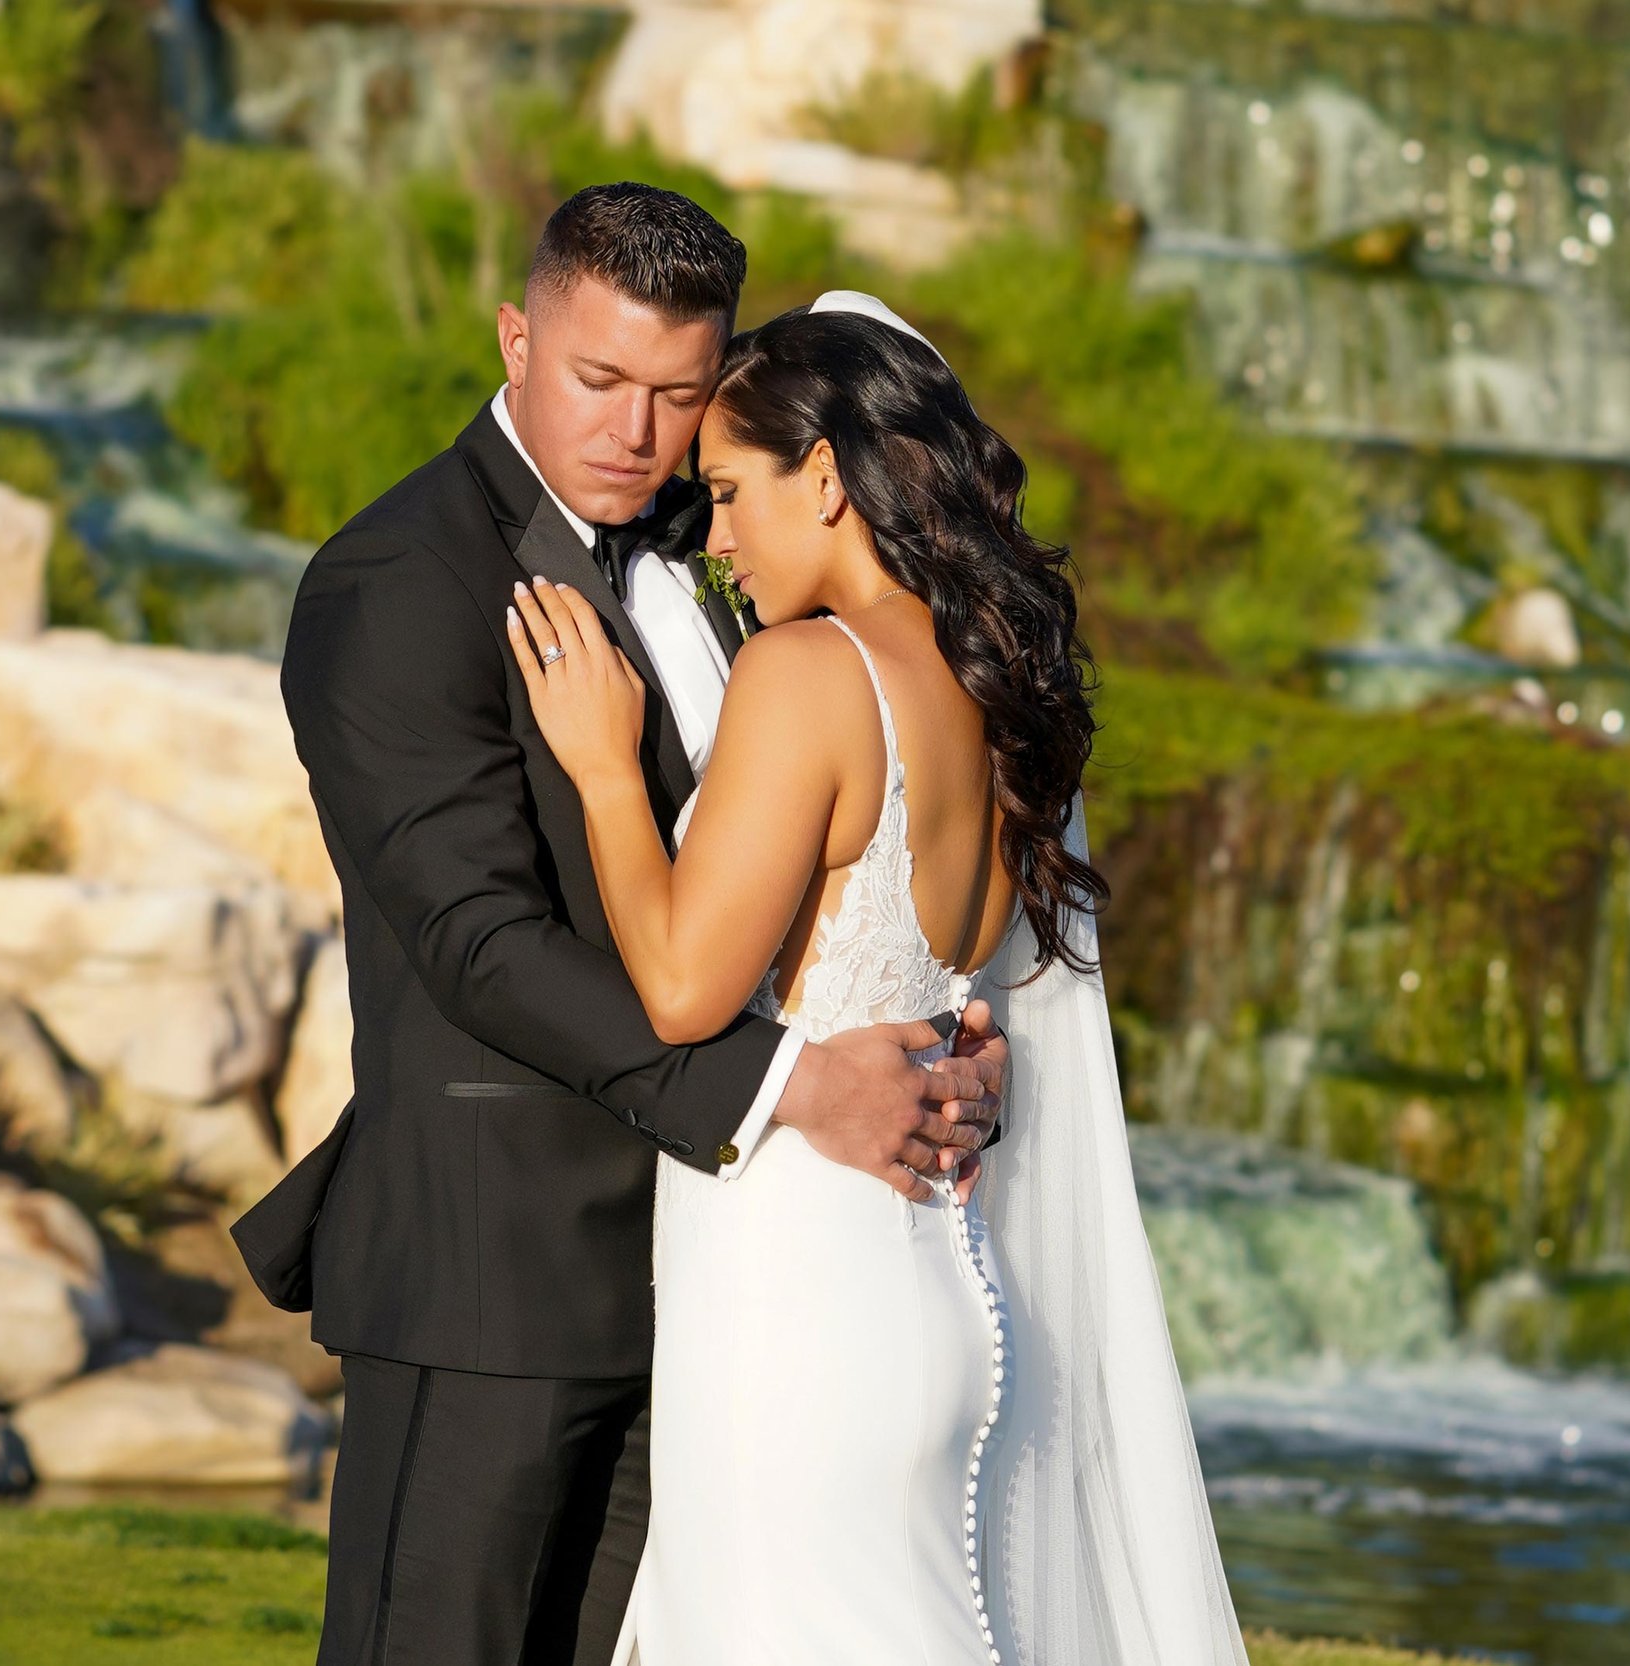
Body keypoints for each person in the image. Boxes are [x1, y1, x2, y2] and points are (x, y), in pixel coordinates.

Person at [230, 183, 1009, 1666]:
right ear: (516, 335)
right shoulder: (397, 582)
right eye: (598, 381)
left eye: (676, 395)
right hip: (492, 1273)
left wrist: (945, 1043)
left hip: (728, 1285)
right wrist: (793, 1089)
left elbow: (828, 858)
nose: (636, 436)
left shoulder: (734, 537)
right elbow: (477, 942)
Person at [508, 293, 1248, 1664]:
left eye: (730, 492)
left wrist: (607, 763)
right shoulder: (990, 687)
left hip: (792, 1291)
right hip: (932, 1281)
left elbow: (680, 988)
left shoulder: (808, 672)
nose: (715, 538)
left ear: (829, 478)